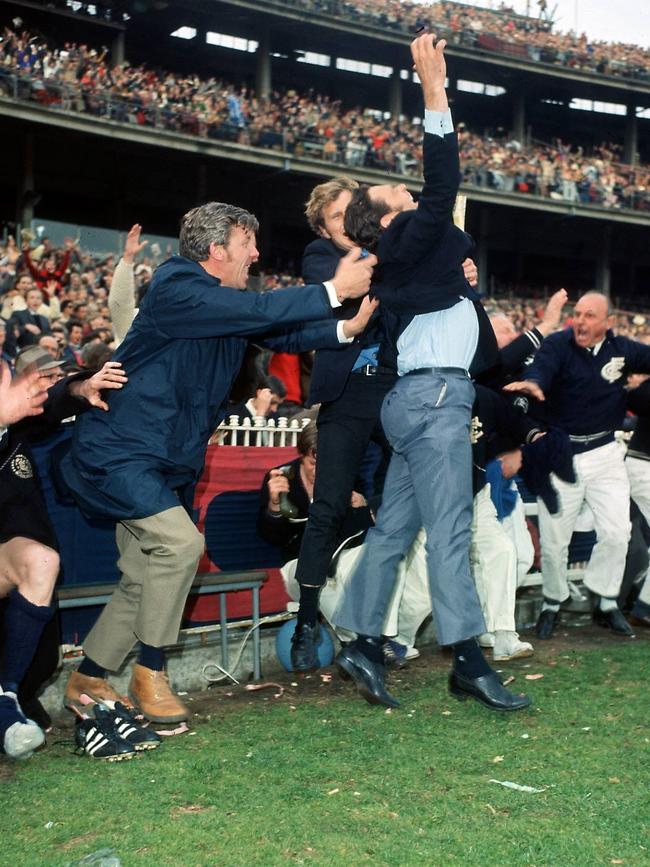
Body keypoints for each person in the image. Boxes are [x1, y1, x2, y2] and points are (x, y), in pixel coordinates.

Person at [61, 201, 376, 726]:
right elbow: (261, 314)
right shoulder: (177, 288)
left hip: (164, 461)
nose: (256, 254)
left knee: (144, 576)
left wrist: (348, 326)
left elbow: (281, 334)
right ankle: (151, 672)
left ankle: (89, 677)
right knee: (181, 545)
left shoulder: (222, 303)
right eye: (247, 244)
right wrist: (331, 291)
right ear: (215, 250)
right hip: (119, 451)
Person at [328, 33, 529, 712]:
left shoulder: (408, 256)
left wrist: (463, 279)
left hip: (416, 398)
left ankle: (358, 640)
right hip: (436, 395)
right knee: (447, 529)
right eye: (398, 193)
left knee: (394, 531)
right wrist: (434, 91)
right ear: (385, 220)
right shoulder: (405, 236)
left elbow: (443, 270)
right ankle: (469, 659)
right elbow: (443, 182)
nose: (410, 193)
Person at [290, 178, 478, 670]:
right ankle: (307, 619)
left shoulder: (387, 248)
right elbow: (347, 298)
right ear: (322, 228)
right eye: (336, 217)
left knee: (394, 506)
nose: (346, 223)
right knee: (328, 501)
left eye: (351, 210)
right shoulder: (319, 257)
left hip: (396, 388)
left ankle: (379, 631)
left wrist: (455, 273)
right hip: (349, 393)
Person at [0, 350, 129, 759]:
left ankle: (6, 697)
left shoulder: (18, 422)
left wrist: (82, 386)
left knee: (42, 561)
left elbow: (56, 401)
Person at [505, 292, 650, 639]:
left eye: (589, 316)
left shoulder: (622, 349)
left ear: (608, 322)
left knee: (617, 533)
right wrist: (534, 383)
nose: (580, 322)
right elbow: (543, 368)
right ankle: (553, 603)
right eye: (577, 314)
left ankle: (606, 599)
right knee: (555, 540)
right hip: (562, 453)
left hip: (605, 451)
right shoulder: (558, 344)